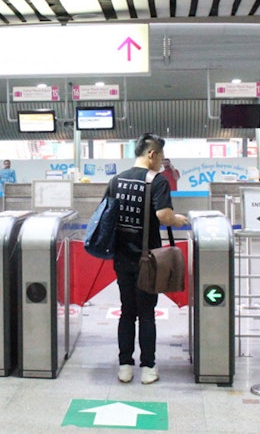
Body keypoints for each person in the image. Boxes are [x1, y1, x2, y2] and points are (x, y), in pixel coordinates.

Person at [109, 133, 188, 385]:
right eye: (161, 155)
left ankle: (124, 366)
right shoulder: (158, 181)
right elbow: (164, 215)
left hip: (121, 257)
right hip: (148, 260)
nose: (162, 161)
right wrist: (178, 220)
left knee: (126, 312)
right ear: (152, 154)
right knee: (146, 314)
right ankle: (148, 368)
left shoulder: (116, 180)